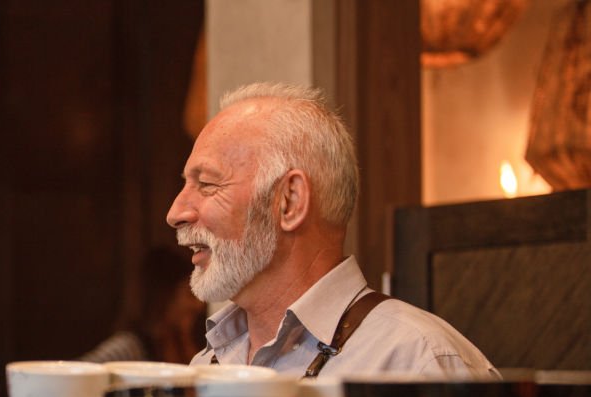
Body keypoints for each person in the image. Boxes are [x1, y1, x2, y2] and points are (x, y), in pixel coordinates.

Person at [167, 82, 498, 378]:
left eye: (207, 184)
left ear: (289, 202)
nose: (175, 213)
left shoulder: (418, 363)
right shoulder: (206, 365)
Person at [79, 245, 205, 364]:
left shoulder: (180, 346)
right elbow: (70, 378)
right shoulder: (128, 348)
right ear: (164, 295)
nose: (199, 305)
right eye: (191, 295)